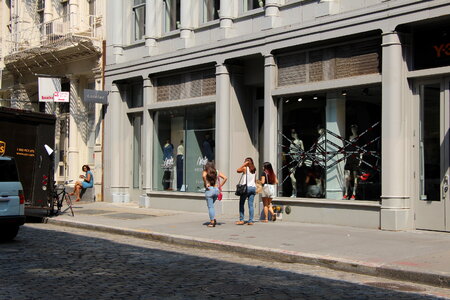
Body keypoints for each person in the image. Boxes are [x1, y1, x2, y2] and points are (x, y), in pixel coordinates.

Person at [202, 161, 227, 227]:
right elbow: (225, 178)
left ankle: (212, 222)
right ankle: (213, 218)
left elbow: (204, 176)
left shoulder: (206, 171)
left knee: (210, 207)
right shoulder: (216, 171)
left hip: (209, 190)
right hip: (216, 190)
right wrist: (220, 186)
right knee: (211, 206)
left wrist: (206, 183)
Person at [235, 157, 257, 225]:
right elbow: (255, 180)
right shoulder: (254, 170)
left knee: (241, 203)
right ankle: (250, 221)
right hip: (253, 188)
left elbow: (237, 170)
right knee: (251, 205)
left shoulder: (245, 168)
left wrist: (244, 164)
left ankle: (241, 220)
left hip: (246, 188)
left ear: (247, 162)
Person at [343, 124, 362, 200]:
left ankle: (354, 194)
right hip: (348, 159)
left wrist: (360, 160)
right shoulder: (348, 138)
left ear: (357, 129)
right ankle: (346, 193)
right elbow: (345, 149)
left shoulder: (359, 138)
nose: (353, 129)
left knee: (355, 177)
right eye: (352, 128)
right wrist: (345, 158)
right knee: (346, 177)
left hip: (356, 159)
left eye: (354, 128)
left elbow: (361, 150)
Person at [289, 129, 304, 197]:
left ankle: (295, 192)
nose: (293, 134)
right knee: (291, 177)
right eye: (292, 133)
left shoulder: (300, 141)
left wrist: (301, 161)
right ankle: (294, 191)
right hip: (291, 161)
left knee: (297, 178)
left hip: (297, 161)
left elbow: (302, 152)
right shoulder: (291, 142)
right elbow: (290, 151)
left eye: (294, 133)